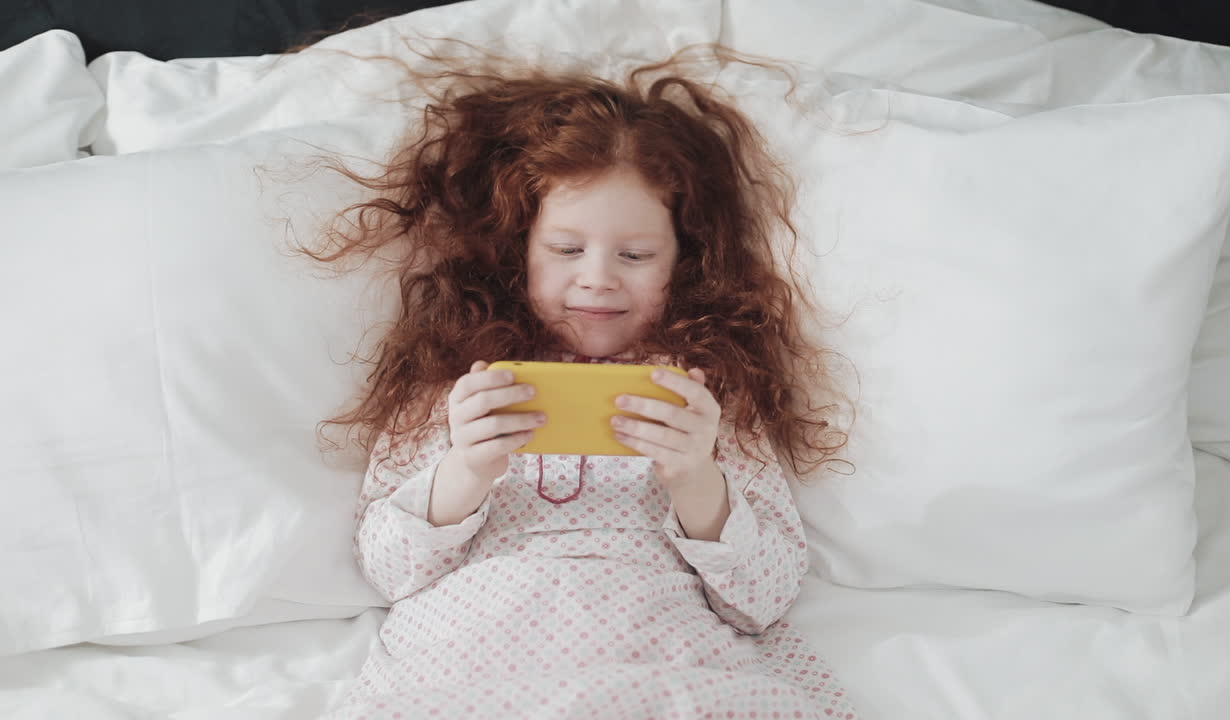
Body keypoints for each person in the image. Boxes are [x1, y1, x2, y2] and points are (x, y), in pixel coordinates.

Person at [305, 40, 858, 719]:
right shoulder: (454, 388)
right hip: (471, 665)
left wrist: (696, 479)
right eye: (566, 249)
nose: (598, 277)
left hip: (662, 664)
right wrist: (465, 471)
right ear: (518, 249)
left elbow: (762, 600)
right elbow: (390, 572)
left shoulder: (708, 398)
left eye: (635, 254)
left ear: (682, 263)